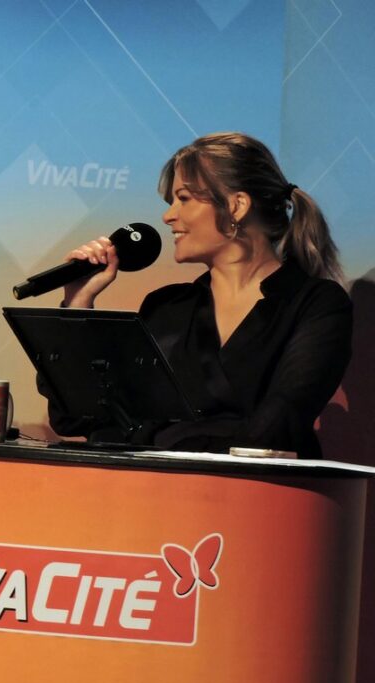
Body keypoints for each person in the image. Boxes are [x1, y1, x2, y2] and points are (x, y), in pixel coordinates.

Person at [41, 132, 352, 458]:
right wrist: (78, 305)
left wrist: (169, 449)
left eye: (184, 198)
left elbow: (280, 421)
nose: (168, 216)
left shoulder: (315, 304)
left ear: (236, 206)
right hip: (153, 483)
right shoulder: (166, 306)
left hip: (253, 486)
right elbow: (80, 417)